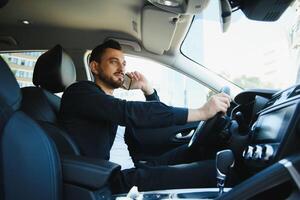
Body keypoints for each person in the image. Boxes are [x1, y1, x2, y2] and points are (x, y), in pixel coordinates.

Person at [59, 39, 231, 193]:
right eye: (114, 62)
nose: (122, 69)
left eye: (124, 63)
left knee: (196, 150)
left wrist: (147, 89)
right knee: (217, 170)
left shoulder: (106, 103)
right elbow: (130, 112)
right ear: (95, 67)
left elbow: (151, 121)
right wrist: (201, 112)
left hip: (134, 167)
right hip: (114, 179)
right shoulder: (80, 92)